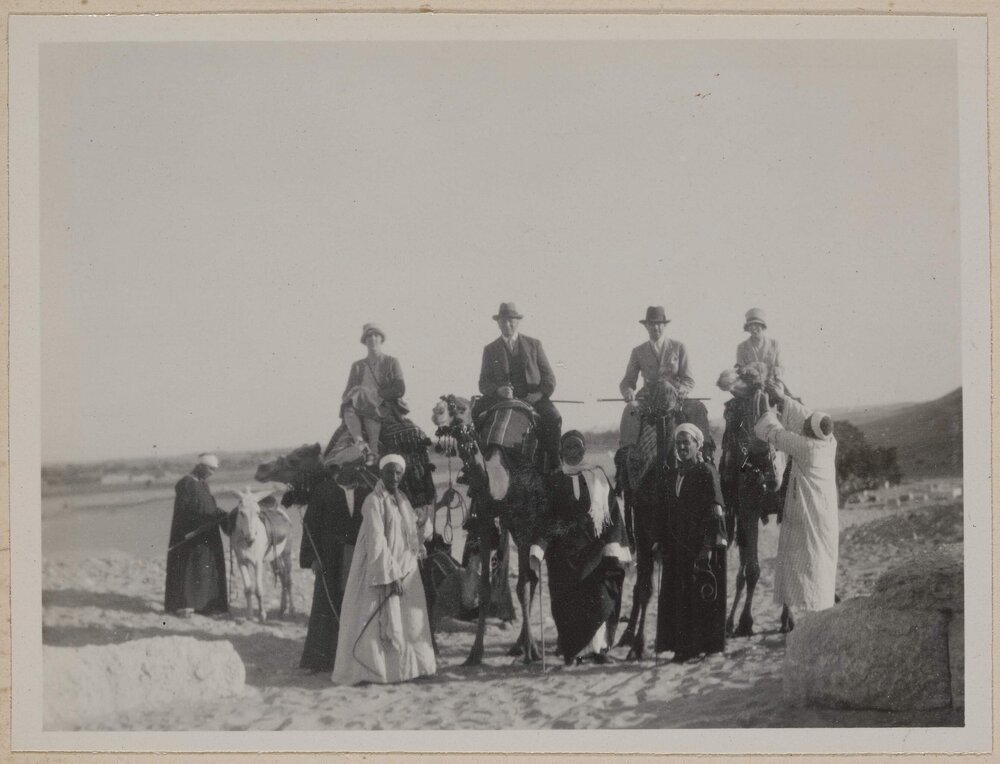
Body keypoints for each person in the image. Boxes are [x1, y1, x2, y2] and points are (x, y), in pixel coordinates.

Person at [331, 454, 436, 685]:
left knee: (411, 620)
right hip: (380, 570)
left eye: (399, 472)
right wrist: (391, 576)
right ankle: (372, 673)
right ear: (381, 473)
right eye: (390, 472)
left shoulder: (403, 500)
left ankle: (409, 670)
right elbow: (377, 541)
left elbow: (410, 528)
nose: (394, 477)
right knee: (373, 622)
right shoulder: (373, 502)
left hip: (407, 570)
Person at [529, 431, 630, 665]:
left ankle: (598, 651)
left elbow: (612, 513)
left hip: (594, 552)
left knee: (598, 599)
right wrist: (538, 549)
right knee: (566, 606)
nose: (573, 452)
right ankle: (571, 652)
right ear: (561, 452)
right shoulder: (553, 481)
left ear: (584, 450)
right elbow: (546, 519)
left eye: (578, 447)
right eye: (568, 448)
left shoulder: (598, 477)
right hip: (562, 556)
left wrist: (614, 544)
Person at [754, 383, 838, 633]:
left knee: (805, 562)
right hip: (823, 515)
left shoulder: (805, 448)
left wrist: (768, 408)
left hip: (808, 514)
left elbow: (770, 432)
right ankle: (819, 610)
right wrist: (784, 398)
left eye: (805, 427)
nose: (802, 425)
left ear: (809, 433)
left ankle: (814, 616)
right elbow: (809, 418)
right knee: (819, 562)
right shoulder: (829, 442)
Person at [655, 424, 728, 662]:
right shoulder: (675, 474)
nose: (683, 447)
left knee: (702, 597)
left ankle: (707, 647)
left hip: (702, 547)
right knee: (682, 597)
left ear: (698, 445)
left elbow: (716, 512)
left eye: (687, 442)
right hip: (680, 547)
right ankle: (684, 647)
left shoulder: (706, 472)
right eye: (679, 443)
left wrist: (707, 547)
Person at [298, 463, 371, 673]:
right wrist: (313, 558)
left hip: (357, 557)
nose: (358, 471)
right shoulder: (324, 491)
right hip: (329, 558)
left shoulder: (366, 490)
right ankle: (321, 660)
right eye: (353, 467)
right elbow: (310, 526)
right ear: (343, 468)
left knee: (355, 604)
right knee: (325, 605)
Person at [475, 302, 562, 471]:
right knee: (475, 418)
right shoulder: (490, 349)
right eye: (503, 321)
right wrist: (498, 390)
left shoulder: (534, 345)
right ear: (498, 323)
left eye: (510, 321)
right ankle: (478, 469)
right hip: (501, 401)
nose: (507, 324)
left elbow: (549, 378)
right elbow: (483, 383)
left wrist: (538, 394)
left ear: (517, 321)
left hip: (534, 400)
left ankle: (554, 466)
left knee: (554, 418)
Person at [164, 453, 232, 617]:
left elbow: (209, 506)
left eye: (214, 470)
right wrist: (204, 520)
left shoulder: (203, 484)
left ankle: (208, 607)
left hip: (208, 534)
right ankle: (185, 606)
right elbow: (184, 510)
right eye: (210, 469)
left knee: (208, 570)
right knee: (189, 570)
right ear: (200, 466)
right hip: (191, 535)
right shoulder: (185, 483)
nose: (212, 473)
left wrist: (223, 516)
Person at [619, 306, 695, 447]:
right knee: (631, 409)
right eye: (651, 324)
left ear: (664, 325)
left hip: (675, 399)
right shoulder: (638, 351)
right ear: (646, 326)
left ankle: (704, 452)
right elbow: (627, 381)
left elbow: (689, 380)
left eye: (659, 324)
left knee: (698, 408)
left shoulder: (679, 347)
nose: (655, 328)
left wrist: (683, 389)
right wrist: (628, 391)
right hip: (648, 400)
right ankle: (626, 454)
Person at [338, 323, 409, 466]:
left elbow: (399, 389)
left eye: (376, 335)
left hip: (384, 404)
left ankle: (374, 450)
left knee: (366, 402)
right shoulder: (357, 366)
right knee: (348, 404)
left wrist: (376, 394)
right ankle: (360, 443)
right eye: (369, 336)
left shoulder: (391, 362)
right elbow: (347, 392)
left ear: (381, 339)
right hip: (360, 405)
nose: (373, 339)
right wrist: (356, 394)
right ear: (365, 341)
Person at [736, 308, 784, 384]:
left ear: (762, 326)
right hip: (750, 386)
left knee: (781, 394)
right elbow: (739, 368)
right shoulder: (741, 347)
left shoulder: (774, 344)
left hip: (771, 383)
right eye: (751, 326)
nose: (754, 328)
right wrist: (744, 370)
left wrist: (775, 371)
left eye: (757, 325)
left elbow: (781, 367)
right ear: (748, 328)